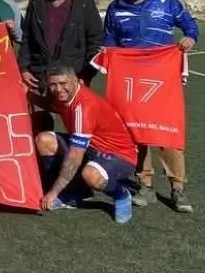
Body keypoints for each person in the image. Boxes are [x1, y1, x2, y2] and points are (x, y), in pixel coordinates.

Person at [103, 0, 199, 213]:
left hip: (162, 79)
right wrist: (107, 52)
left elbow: (189, 24)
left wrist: (190, 37)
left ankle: (178, 189)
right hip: (131, 81)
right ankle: (145, 185)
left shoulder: (166, 1)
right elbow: (109, 41)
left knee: (168, 134)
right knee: (137, 134)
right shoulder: (115, 8)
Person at [36, 64, 137, 224]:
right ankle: (77, 192)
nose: (58, 89)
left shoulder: (84, 106)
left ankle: (121, 194)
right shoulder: (63, 96)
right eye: (53, 85)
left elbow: (75, 156)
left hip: (119, 155)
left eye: (63, 84)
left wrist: (53, 193)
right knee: (44, 140)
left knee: (91, 175)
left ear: (76, 81)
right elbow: (50, 105)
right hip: (90, 148)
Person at [18, 0, 102, 132]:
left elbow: (95, 42)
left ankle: (79, 158)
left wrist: (87, 75)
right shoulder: (37, 3)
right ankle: (45, 158)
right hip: (40, 76)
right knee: (40, 128)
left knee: (78, 128)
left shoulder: (84, 3)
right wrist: (24, 68)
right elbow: (28, 38)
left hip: (74, 76)